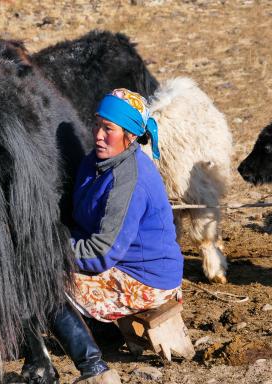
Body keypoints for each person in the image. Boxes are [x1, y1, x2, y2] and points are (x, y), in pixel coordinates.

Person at [55, 88, 183, 384]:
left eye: (108, 129)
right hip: (121, 261)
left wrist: (50, 248)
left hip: (147, 277)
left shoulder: (129, 180)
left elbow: (101, 253)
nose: (99, 134)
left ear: (130, 136)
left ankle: (93, 370)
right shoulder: (95, 163)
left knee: (44, 284)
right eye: (97, 124)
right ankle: (101, 333)